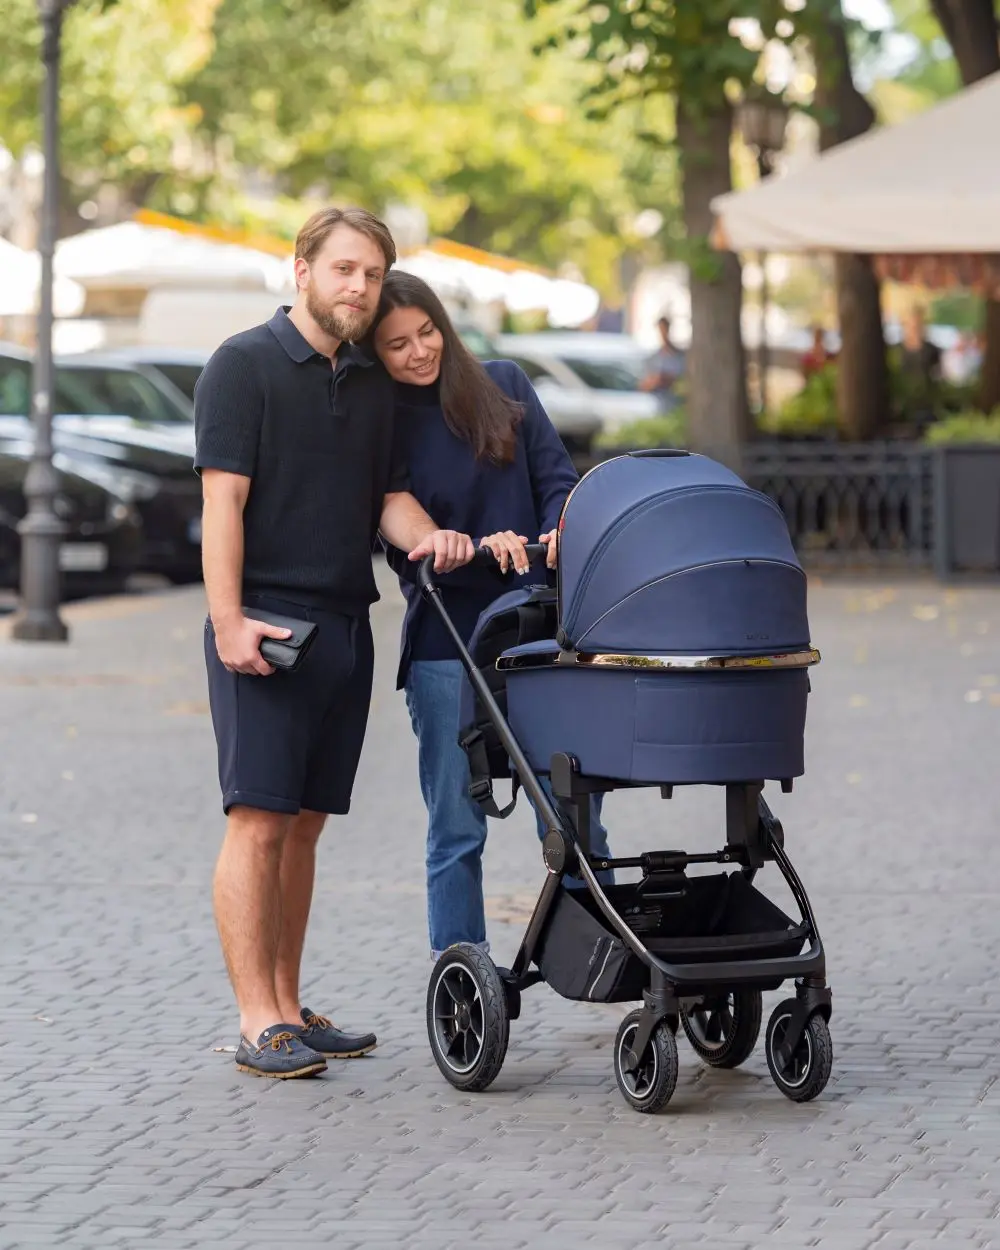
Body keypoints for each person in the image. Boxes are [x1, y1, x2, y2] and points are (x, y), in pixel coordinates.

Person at [194, 208, 475, 1079]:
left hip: (347, 624)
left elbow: (388, 497)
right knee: (257, 822)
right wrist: (229, 621)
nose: (359, 286)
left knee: (304, 828)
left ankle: (288, 1006)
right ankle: (257, 1021)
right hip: (267, 625)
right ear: (303, 270)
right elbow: (222, 503)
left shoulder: (369, 382)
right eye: (344, 269)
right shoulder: (241, 365)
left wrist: (432, 536)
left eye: (372, 274)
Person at [370, 271, 612, 961]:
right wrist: (459, 543)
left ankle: (598, 954)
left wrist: (558, 530)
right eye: (397, 345)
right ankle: (461, 977)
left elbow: (557, 481)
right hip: (446, 642)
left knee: (572, 815)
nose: (419, 351)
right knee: (456, 828)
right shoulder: (380, 422)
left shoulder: (503, 383)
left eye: (427, 333)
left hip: (536, 634)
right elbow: (395, 520)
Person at [639, 315, 686, 411]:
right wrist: (656, 381)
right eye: (661, 329)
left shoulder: (680, 357)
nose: (663, 333)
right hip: (656, 404)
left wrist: (671, 380)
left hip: (677, 404)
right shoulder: (653, 358)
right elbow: (643, 386)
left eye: (665, 329)